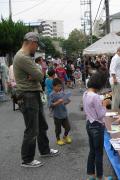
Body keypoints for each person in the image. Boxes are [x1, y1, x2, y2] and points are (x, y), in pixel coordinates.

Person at [13, 32, 58, 168]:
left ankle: (44, 150)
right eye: (37, 45)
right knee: (32, 129)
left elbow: (38, 75)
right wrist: (36, 73)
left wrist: (36, 74)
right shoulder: (22, 57)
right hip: (27, 95)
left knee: (41, 125)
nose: (37, 48)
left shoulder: (26, 56)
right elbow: (40, 75)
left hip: (32, 94)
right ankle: (27, 159)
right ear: (31, 42)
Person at [83, 72, 112, 180]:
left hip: (89, 124)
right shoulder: (95, 97)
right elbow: (101, 114)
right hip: (97, 126)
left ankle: (91, 175)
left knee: (92, 151)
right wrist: (104, 104)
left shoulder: (85, 93)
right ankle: (100, 177)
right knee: (99, 153)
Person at [49, 78, 72, 146]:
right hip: (57, 115)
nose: (59, 88)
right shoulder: (51, 95)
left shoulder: (62, 93)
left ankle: (65, 137)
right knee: (58, 129)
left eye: (60, 86)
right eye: (58, 86)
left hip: (64, 114)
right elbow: (50, 105)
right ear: (53, 86)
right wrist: (57, 102)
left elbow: (64, 102)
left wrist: (67, 101)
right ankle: (58, 139)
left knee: (68, 127)